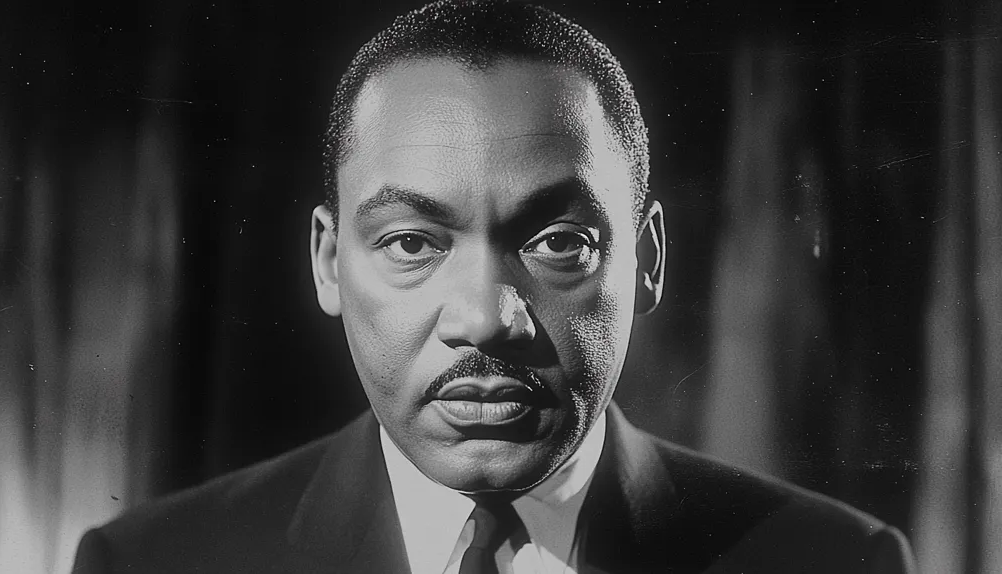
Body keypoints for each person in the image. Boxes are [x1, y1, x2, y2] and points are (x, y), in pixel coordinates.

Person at [72, 1, 918, 572]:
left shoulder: (836, 562)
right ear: (329, 261)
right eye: (411, 242)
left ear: (648, 260)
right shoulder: (153, 562)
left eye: (557, 243)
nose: (483, 318)